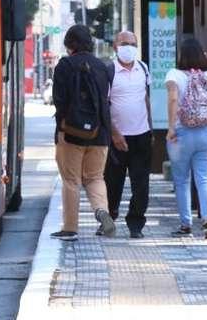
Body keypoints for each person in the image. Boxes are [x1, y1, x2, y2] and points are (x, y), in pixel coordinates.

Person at [50, 25, 116, 241]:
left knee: (71, 180)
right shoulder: (103, 67)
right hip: (100, 134)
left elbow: (59, 101)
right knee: (95, 177)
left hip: (71, 133)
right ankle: (102, 211)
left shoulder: (64, 66)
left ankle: (70, 228)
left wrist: (61, 128)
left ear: (69, 44)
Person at [165, 38, 207, 240]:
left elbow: (172, 98)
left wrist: (171, 128)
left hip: (182, 134)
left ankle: (186, 224)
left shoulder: (174, 75)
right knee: (205, 179)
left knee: (181, 180)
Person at [104, 31, 152, 239]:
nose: (129, 47)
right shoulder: (109, 71)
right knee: (113, 183)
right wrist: (114, 133)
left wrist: (150, 127)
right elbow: (104, 105)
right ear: (115, 46)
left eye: (133, 43)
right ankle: (109, 218)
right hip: (116, 137)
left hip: (141, 135)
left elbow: (146, 99)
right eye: (124, 43)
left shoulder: (143, 68)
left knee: (141, 184)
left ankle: (136, 223)